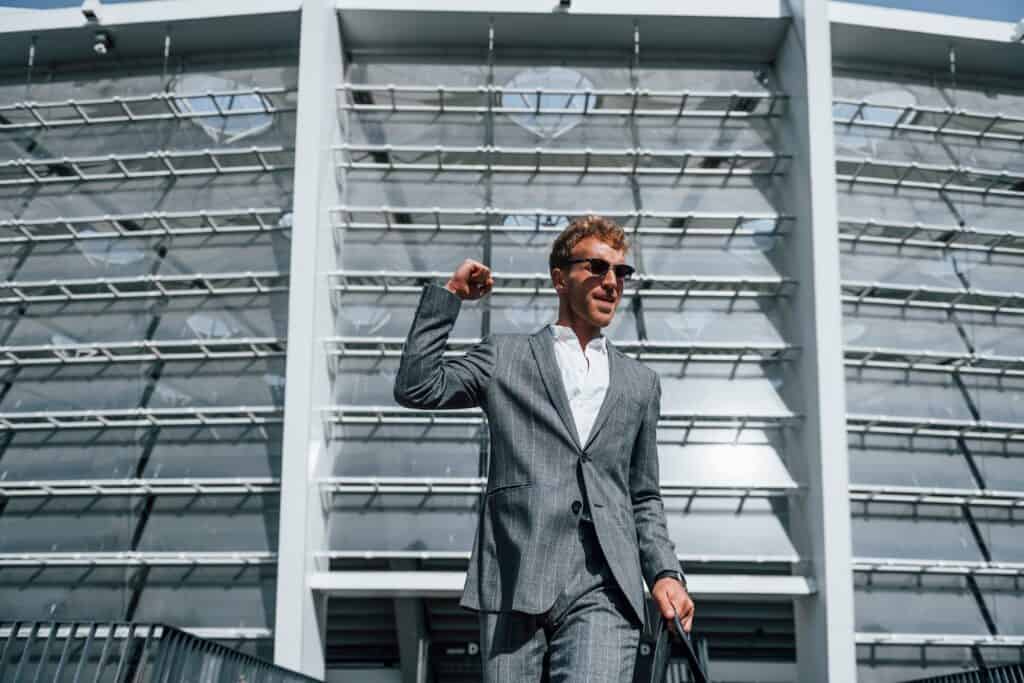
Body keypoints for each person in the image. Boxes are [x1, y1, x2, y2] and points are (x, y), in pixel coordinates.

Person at [394, 214, 694, 681]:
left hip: (605, 586)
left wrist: (665, 574)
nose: (611, 281)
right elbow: (418, 387)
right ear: (560, 278)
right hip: (515, 576)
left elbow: (643, 496)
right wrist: (450, 297)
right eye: (596, 267)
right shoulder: (505, 356)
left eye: (621, 272)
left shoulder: (641, 383)